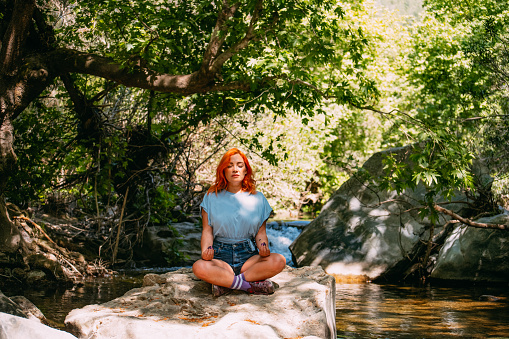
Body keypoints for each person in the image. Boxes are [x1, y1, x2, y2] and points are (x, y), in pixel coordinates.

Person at [192, 148, 286, 296]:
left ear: (246, 170)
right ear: (223, 170)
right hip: (220, 258)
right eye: (229, 165)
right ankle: (247, 285)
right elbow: (207, 230)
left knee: (279, 260)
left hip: (249, 258)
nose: (235, 169)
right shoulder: (211, 197)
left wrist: (264, 247)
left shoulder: (258, 198)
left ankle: (227, 284)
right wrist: (206, 251)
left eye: (240, 165)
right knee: (199, 267)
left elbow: (261, 233)